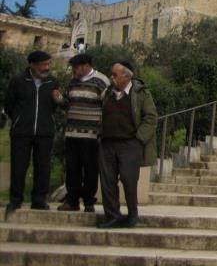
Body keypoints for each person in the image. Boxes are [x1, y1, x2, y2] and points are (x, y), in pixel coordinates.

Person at [3, 51, 64, 215]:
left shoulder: (52, 82)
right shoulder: (18, 81)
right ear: (33, 65)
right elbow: (9, 104)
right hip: (22, 131)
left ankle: (39, 200)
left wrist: (58, 99)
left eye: (49, 64)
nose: (47, 68)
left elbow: (57, 105)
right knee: (19, 166)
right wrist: (18, 119)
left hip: (44, 131)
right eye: (44, 64)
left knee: (43, 166)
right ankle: (16, 200)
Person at [97, 62, 157, 229]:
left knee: (128, 178)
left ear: (126, 76)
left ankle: (132, 214)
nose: (112, 77)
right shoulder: (108, 93)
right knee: (107, 180)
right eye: (112, 74)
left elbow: (151, 117)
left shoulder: (140, 94)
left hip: (130, 142)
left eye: (115, 75)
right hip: (108, 142)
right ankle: (112, 216)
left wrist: (139, 139)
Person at [57, 53, 109, 213]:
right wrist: (58, 99)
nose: (73, 70)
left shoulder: (101, 81)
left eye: (76, 67)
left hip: (91, 135)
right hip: (72, 133)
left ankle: (88, 201)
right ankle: (72, 200)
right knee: (72, 168)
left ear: (86, 66)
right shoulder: (73, 82)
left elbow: (107, 106)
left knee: (90, 169)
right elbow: (67, 103)